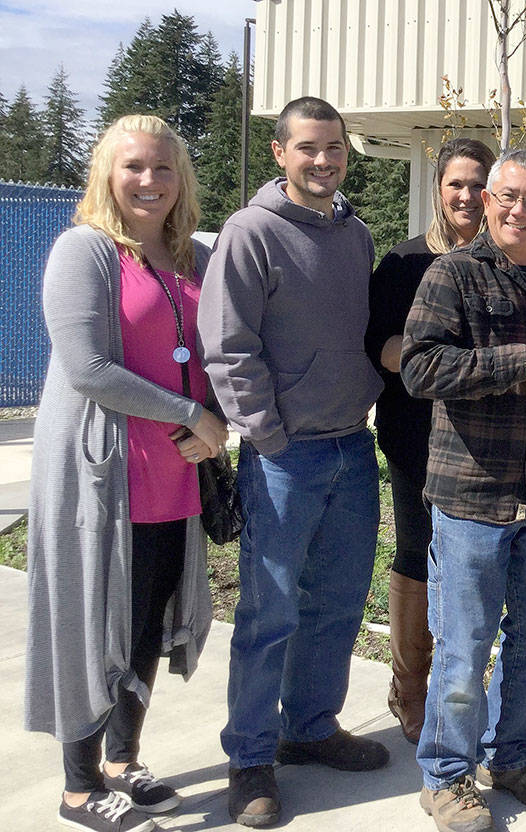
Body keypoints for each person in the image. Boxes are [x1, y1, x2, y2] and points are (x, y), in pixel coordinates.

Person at [24, 114, 225, 832]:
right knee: (92, 625)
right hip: (100, 478)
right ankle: (79, 790)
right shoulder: (85, 251)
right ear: (107, 173)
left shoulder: (190, 258)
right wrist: (191, 412)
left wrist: (211, 417)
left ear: (182, 179)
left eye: (164, 168)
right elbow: (88, 369)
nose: (150, 181)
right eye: (134, 166)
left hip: (171, 476)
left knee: (144, 623)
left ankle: (122, 760)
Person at [198, 96, 388, 828]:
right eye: (308, 147)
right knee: (267, 613)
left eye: (334, 148)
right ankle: (249, 759)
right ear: (280, 152)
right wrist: (267, 435)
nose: (323, 160)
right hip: (286, 456)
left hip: (351, 446)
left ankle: (310, 727)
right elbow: (227, 345)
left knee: (337, 605)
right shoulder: (250, 233)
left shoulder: (356, 234)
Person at [401, 148, 526, 832]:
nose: (518, 209)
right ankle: (446, 777)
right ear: (487, 201)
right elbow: (419, 369)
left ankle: (510, 756)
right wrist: (520, 361)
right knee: (463, 646)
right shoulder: (450, 275)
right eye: (506, 196)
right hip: (470, 500)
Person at [365, 138, 496, 745]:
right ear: (438, 189)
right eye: (456, 184)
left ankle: (466, 690)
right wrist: (441, 362)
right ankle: (410, 689)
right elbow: (380, 346)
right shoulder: (402, 263)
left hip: (490, 441)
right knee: (419, 554)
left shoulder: (509, 260)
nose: (468, 196)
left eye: (479, 183)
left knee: (476, 567)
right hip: (418, 436)